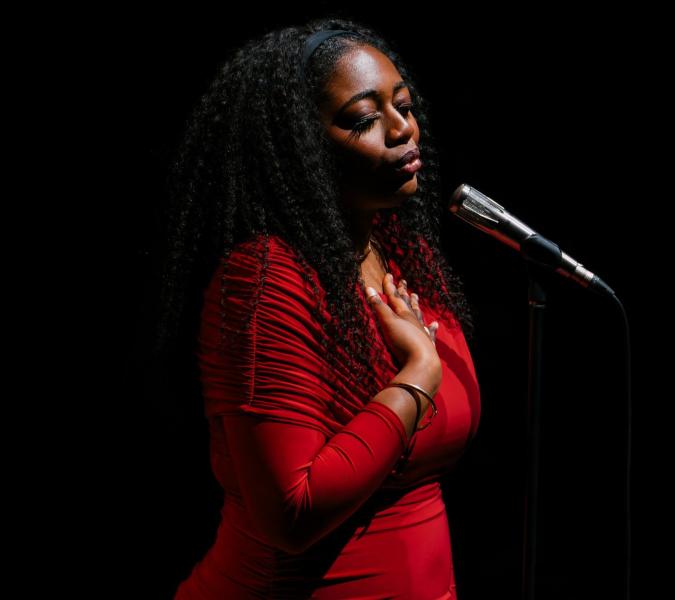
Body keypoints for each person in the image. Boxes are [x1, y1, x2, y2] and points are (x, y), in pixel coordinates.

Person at [155, 17, 481, 599]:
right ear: (297, 148)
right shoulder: (265, 280)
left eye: (403, 105)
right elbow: (292, 512)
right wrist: (418, 377)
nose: (403, 128)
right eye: (363, 119)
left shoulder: (394, 250)